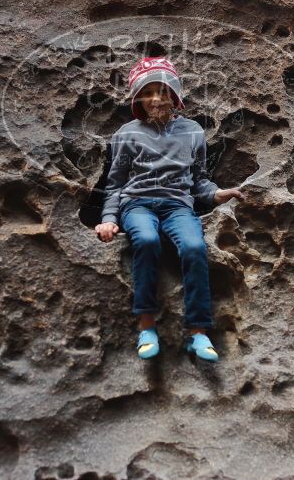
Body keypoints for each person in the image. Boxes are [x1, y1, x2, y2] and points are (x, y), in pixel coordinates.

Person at [94, 56, 245, 361]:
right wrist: (109, 219)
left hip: (178, 205)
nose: (156, 99)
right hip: (137, 204)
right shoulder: (127, 134)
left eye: (162, 91)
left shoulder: (192, 132)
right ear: (138, 98)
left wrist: (219, 194)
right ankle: (147, 327)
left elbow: (199, 181)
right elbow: (115, 183)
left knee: (193, 247)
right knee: (146, 241)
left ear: (174, 95)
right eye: (147, 92)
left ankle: (198, 334)